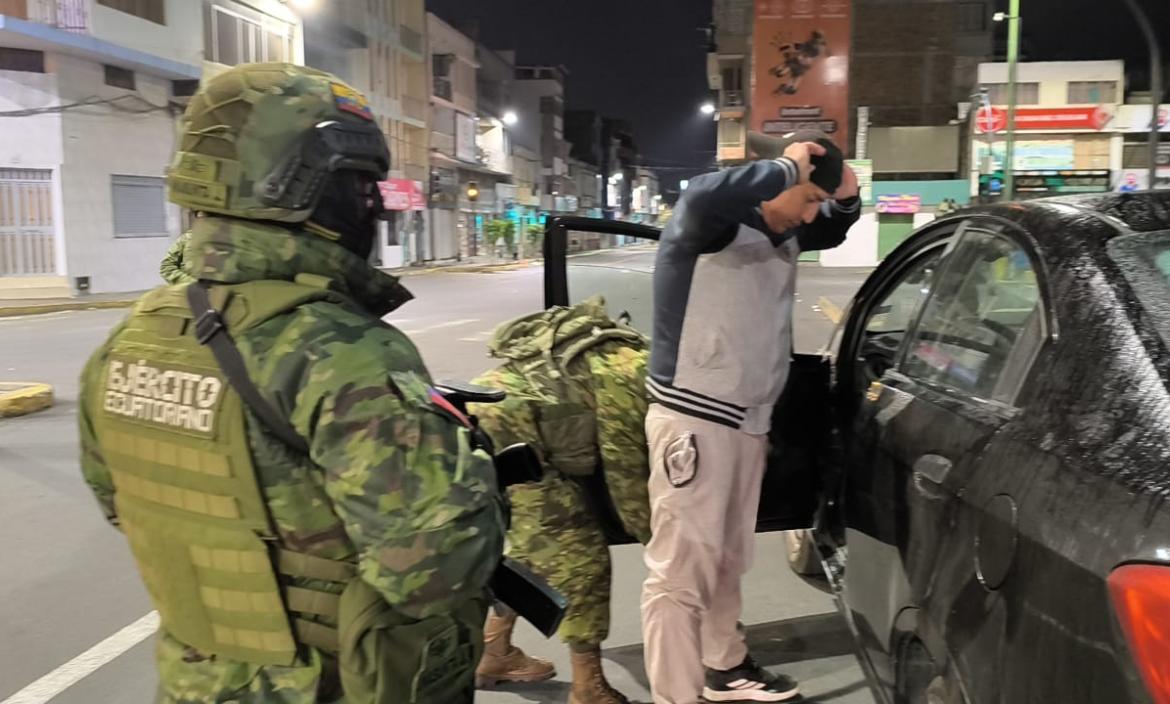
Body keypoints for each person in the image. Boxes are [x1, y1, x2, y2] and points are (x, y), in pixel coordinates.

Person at [77, 63, 507, 704]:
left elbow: (122, 504)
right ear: (307, 188)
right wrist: (479, 481)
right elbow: (434, 568)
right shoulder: (341, 351)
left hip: (194, 682)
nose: (374, 207)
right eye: (362, 186)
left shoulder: (129, 342)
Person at [642, 130, 860, 704]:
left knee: (729, 558)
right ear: (778, 179)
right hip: (695, 418)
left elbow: (834, 226)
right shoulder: (712, 220)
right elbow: (700, 194)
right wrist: (789, 169)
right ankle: (675, 696)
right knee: (678, 576)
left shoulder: (779, 227)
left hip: (747, 420)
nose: (811, 214)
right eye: (805, 199)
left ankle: (724, 667)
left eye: (817, 202)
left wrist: (846, 192)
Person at [469, 298, 652, 704]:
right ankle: (589, 688)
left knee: (530, 550)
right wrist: (655, 537)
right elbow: (626, 474)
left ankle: (493, 651)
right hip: (515, 435)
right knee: (581, 559)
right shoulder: (631, 376)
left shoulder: (624, 356)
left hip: (488, 415)